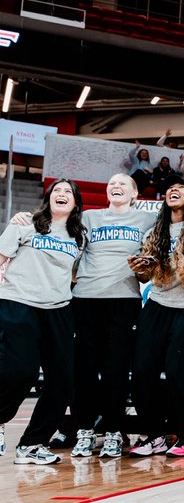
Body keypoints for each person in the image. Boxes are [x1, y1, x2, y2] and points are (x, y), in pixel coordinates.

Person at [67, 174, 156, 458]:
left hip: (124, 300)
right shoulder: (89, 218)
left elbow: (153, 260)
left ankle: (115, 432)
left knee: (116, 370)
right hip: (86, 299)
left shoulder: (145, 221)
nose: (115, 187)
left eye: (122, 184)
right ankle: (84, 431)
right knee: (84, 369)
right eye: (111, 184)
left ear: (135, 193)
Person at [127, 175, 184, 457]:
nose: (173, 190)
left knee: (180, 373)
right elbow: (146, 274)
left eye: (180, 187)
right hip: (158, 303)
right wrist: (140, 268)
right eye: (169, 188)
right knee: (142, 372)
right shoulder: (155, 229)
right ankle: (155, 434)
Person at [0, 180, 86, 465]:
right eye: (57, 190)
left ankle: (32, 444)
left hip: (58, 309)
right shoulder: (24, 224)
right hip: (18, 303)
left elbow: (73, 275)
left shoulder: (78, 237)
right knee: (20, 371)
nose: (61, 195)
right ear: (48, 197)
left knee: (62, 382)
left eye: (68, 192)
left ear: (75, 202)